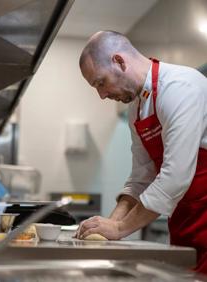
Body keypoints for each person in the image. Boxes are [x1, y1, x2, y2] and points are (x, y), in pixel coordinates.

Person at [75, 30, 207, 274]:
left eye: (100, 82)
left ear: (119, 61)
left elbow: (175, 176)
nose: (102, 95)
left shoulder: (179, 87)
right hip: (185, 224)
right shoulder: (138, 106)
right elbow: (141, 178)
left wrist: (120, 229)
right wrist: (110, 225)